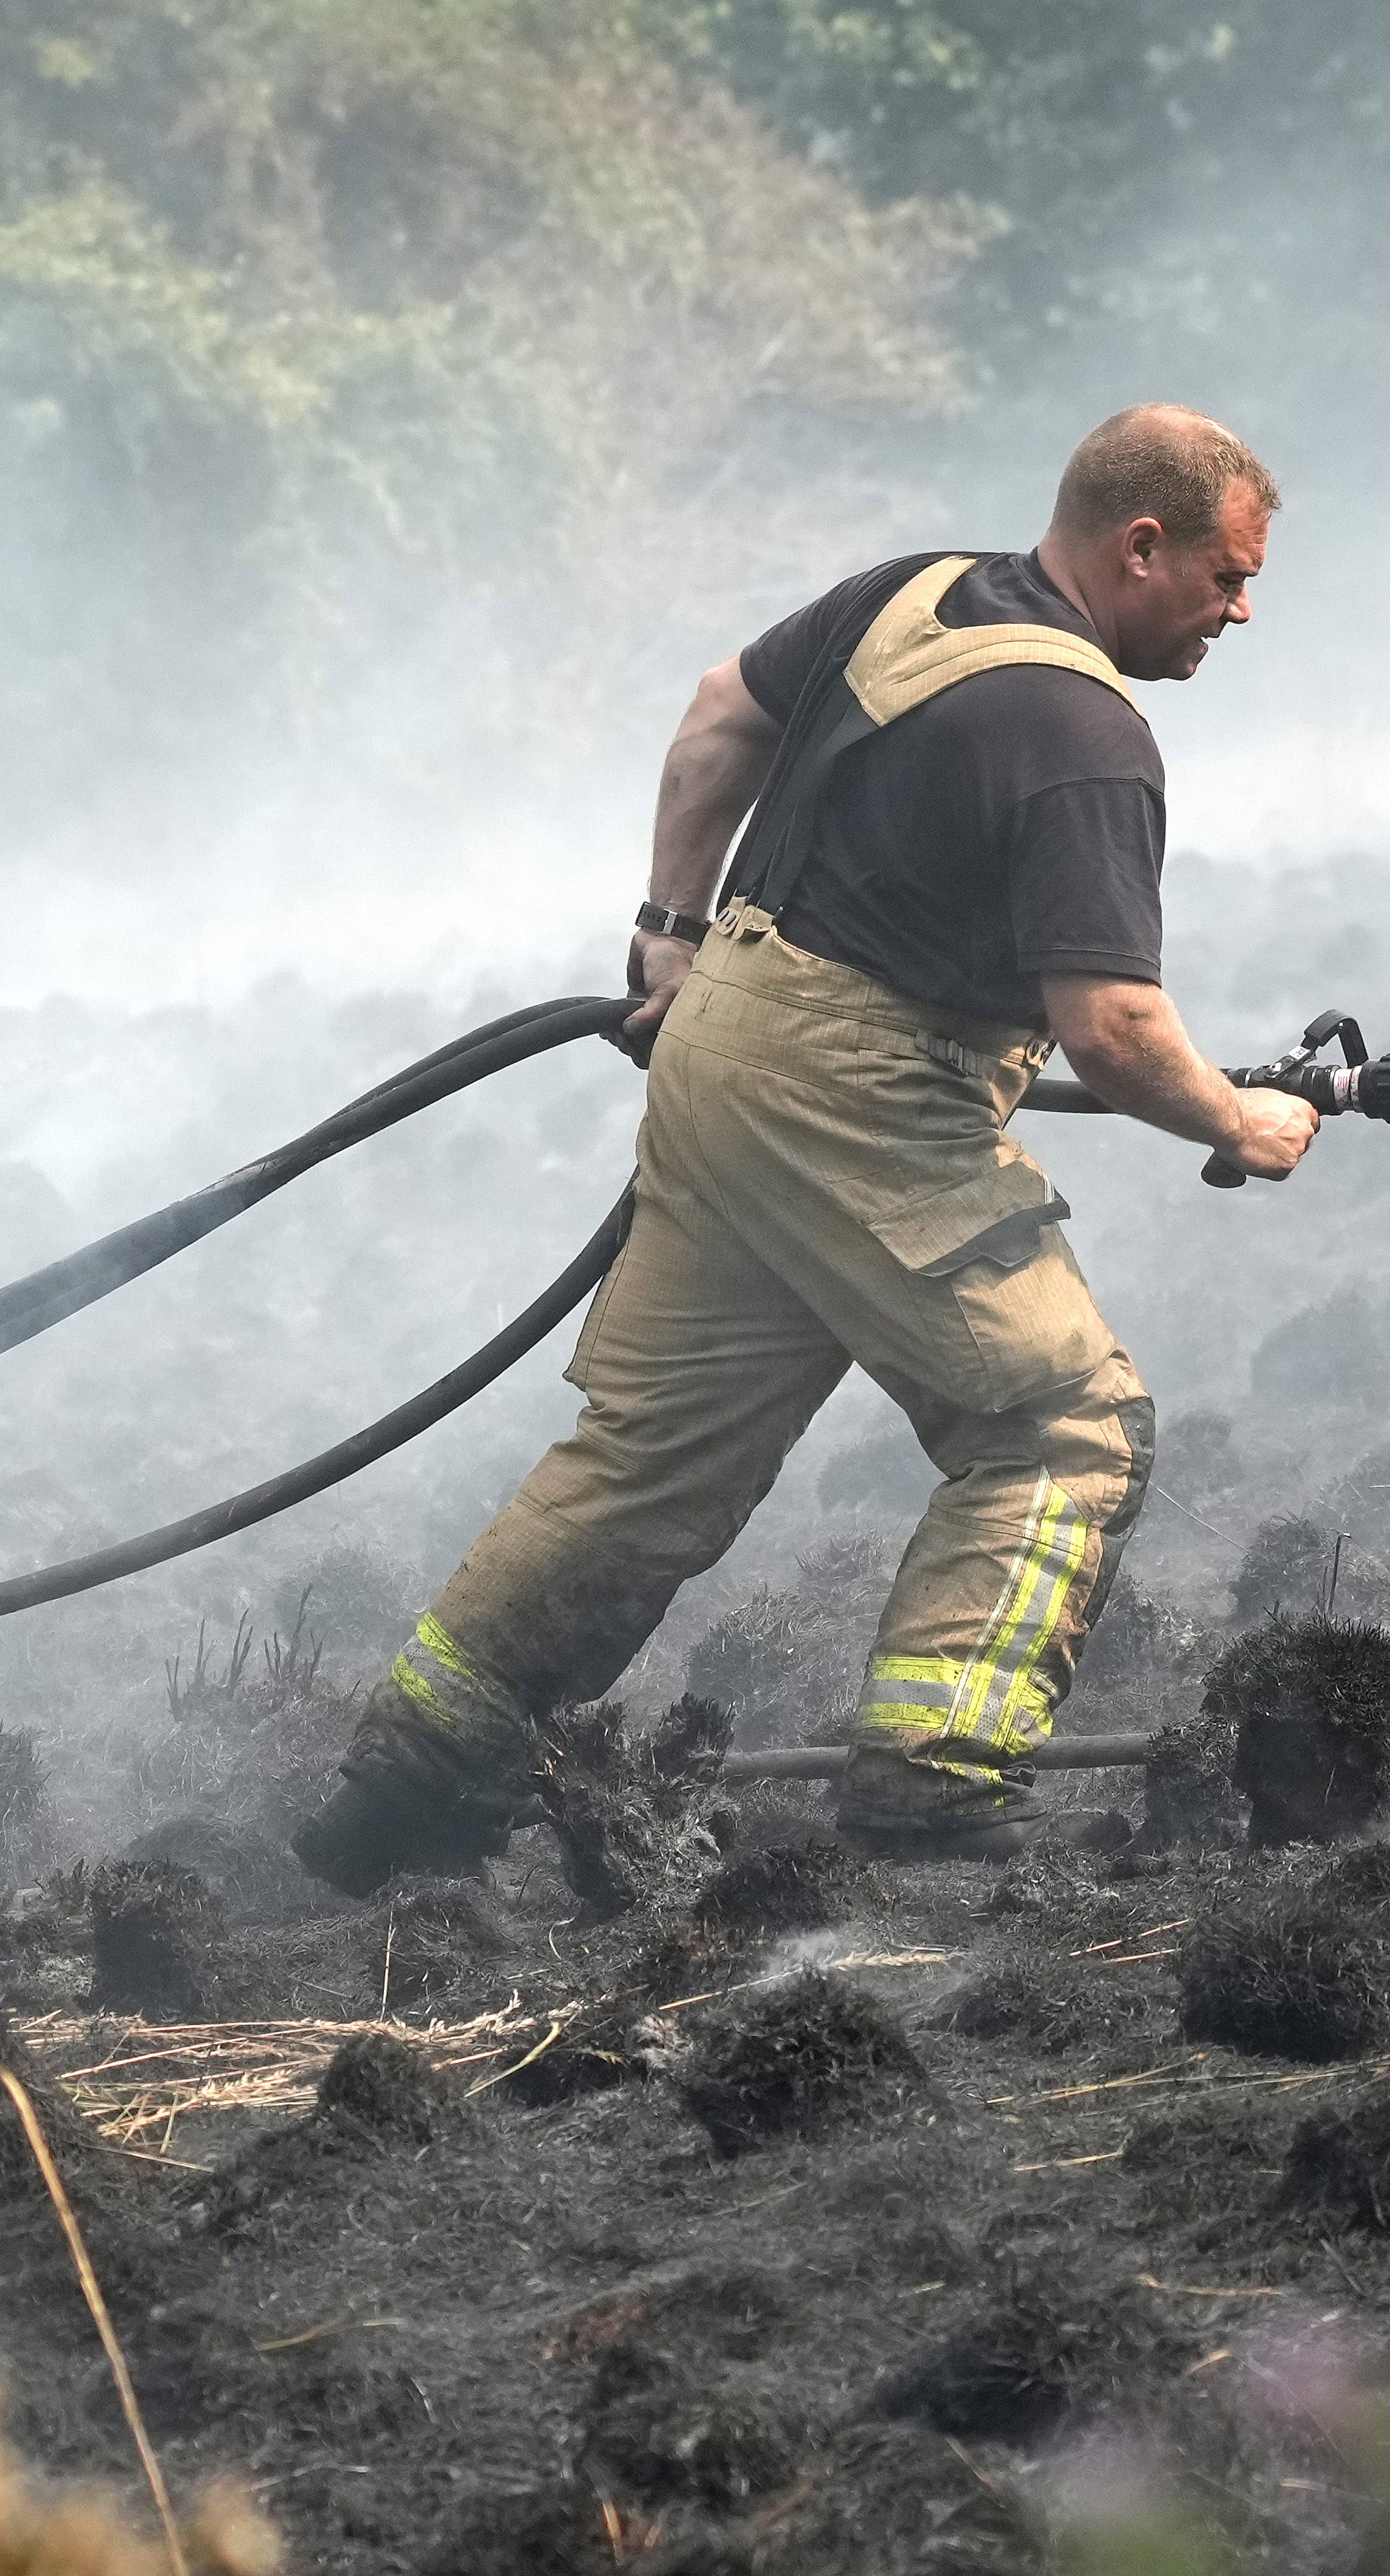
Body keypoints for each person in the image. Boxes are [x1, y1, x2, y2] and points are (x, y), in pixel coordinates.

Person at [289, 405, 1316, 1889]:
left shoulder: (912, 593)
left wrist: (666, 934)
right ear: (1137, 544)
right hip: (859, 1103)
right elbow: (1106, 1026)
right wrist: (1240, 1115)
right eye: (1225, 576)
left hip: (721, 1057)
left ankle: (408, 1780)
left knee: (647, 1459)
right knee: (1060, 1422)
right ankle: (934, 1784)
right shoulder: (1086, 734)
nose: (1240, 610)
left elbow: (720, 710)